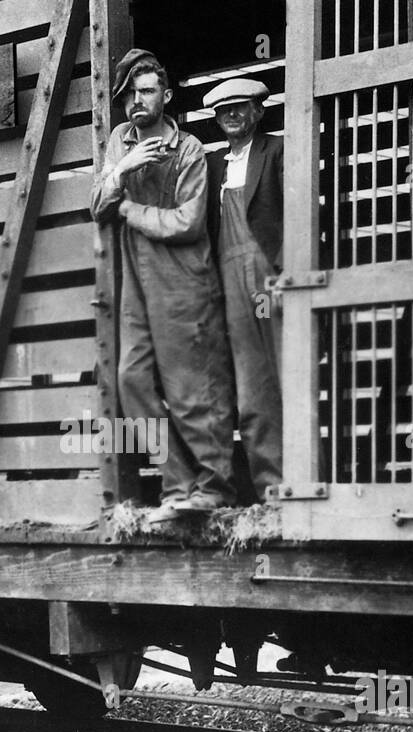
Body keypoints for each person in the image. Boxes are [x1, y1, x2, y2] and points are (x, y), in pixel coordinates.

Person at [92, 49, 236, 525]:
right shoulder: (121, 140)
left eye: (147, 91)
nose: (137, 100)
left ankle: (214, 487)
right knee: (131, 380)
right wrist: (122, 168)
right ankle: (176, 485)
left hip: (182, 277)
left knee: (192, 385)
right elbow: (96, 204)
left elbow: (189, 222)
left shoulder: (189, 149)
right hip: (137, 280)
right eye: (130, 93)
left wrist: (129, 210)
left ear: (167, 96)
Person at [204, 78, 284, 502]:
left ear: (258, 110)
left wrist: (286, 271)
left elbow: (302, 209)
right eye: (224, 111)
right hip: (228, 279)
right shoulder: (213, 165)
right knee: (248, 385)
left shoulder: (279, 151)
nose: (232, 115)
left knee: (281, 375)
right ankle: (268, 488)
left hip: (267, 275)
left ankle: (290, 486)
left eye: (240, 107)